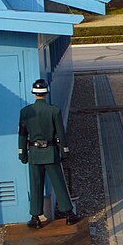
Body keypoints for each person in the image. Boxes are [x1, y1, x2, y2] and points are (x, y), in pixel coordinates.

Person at [18, 79, 80, 228]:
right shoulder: (54, 110)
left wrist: (23, 154)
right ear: (46, 93)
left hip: (34, 153)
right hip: (51, 152)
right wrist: (64, 152)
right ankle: (69, 214)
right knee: (59, 183)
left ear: (34, 93)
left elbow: (22, 135)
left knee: (35, 185)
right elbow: (61, 134)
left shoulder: (25, 112)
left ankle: (35, 217)